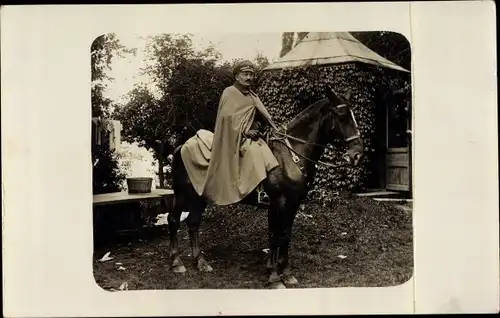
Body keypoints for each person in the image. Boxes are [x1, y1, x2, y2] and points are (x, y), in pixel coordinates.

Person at [200, 60, 280, 206]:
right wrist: (245, 131)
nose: (249, 77)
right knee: (254, 151)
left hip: (253, 135)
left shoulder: (252, 95)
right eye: (245, 74)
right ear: (237, 76)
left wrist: (263, 126)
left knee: (269, 153)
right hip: (234, 138)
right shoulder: (230, 92)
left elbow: (260, 116)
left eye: (251, 74)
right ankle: (256, 192)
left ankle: (268, 188)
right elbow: (226, 119)